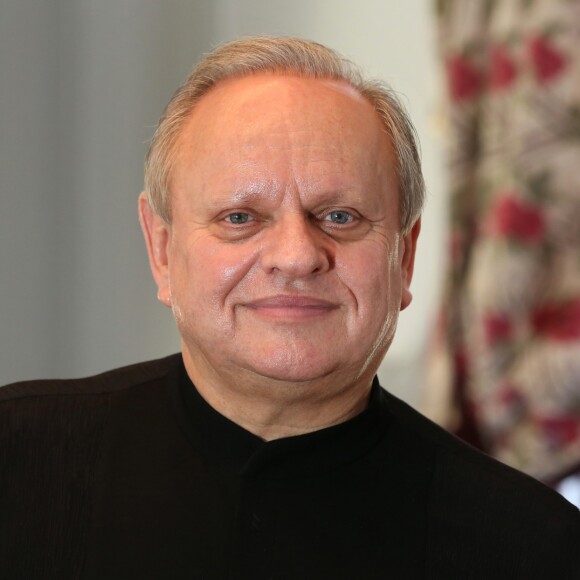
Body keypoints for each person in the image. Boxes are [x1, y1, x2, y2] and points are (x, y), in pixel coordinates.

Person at [0, 36, 577, 579]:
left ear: (404, 257)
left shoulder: (535, 546)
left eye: (341, 217)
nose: (297, 257)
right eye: (240, 218)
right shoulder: (17, 460)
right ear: (161, 249)